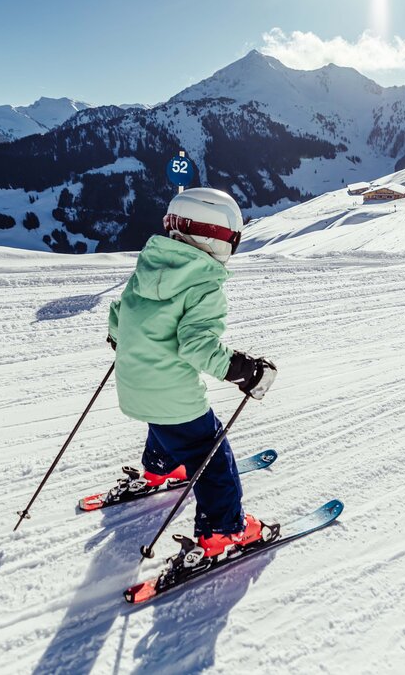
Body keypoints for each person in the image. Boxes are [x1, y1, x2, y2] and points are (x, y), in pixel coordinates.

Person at [107, 187, 277, 558]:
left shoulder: (150, 265)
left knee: (167, 422)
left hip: (133, 383)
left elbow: (120, 312)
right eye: (234, 237)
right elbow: (196, 346)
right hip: (171, 393)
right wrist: (244, 371)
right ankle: (223, 530)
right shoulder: (205, 284)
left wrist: (121, 340)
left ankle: (160, 467)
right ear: (216, 236)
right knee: (211, 453)